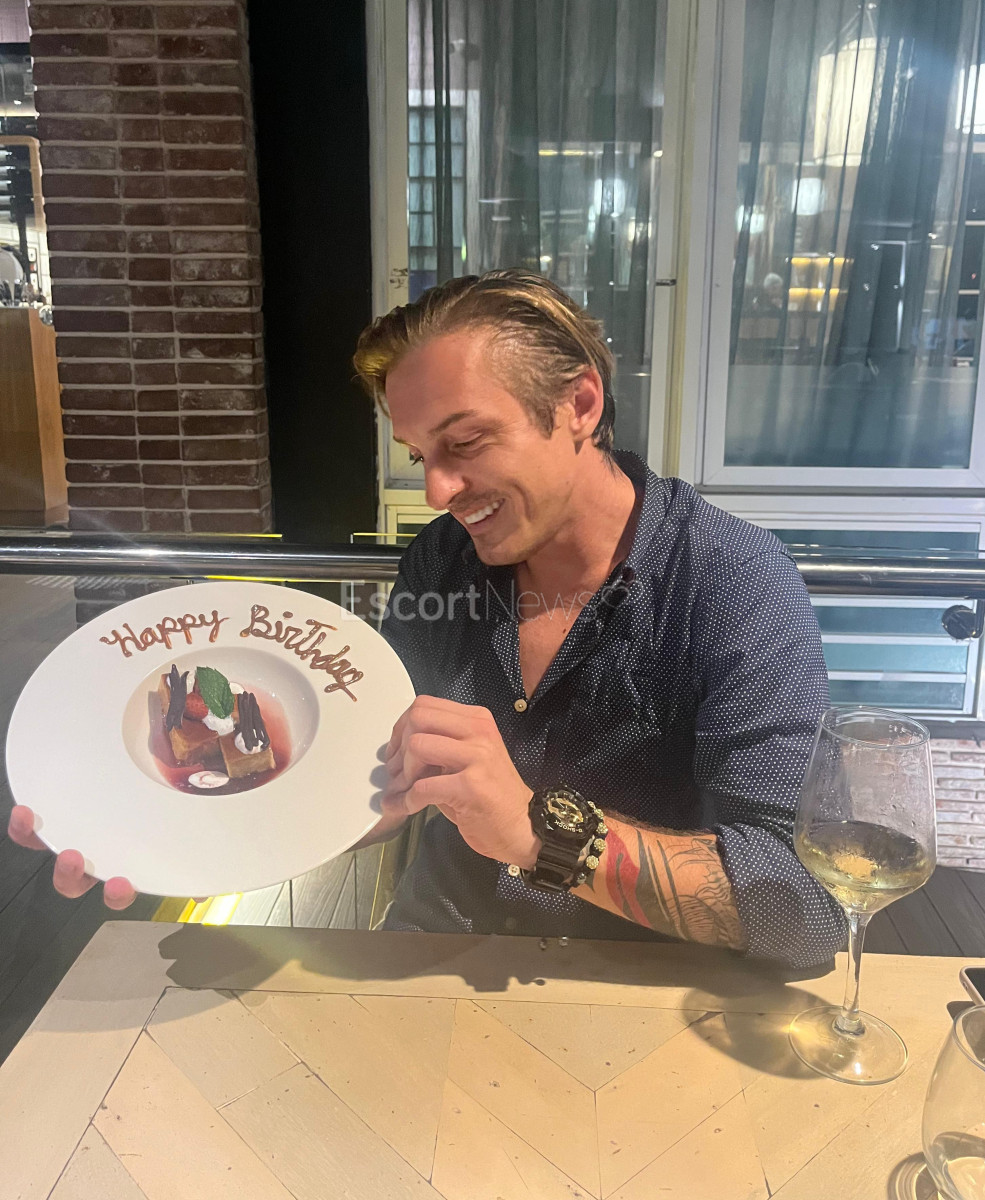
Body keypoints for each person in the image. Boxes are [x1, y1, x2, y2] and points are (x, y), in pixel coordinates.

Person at [8, 269, 845, 968]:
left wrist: (539, 835)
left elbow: (806, 907)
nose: (437, 491)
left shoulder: (734, 585)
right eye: (419, 456)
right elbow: (372, 789)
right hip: (427, 953)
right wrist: (170, 829)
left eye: (465, 443)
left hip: (642, 992)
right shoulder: (442, 560)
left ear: (579, 404)